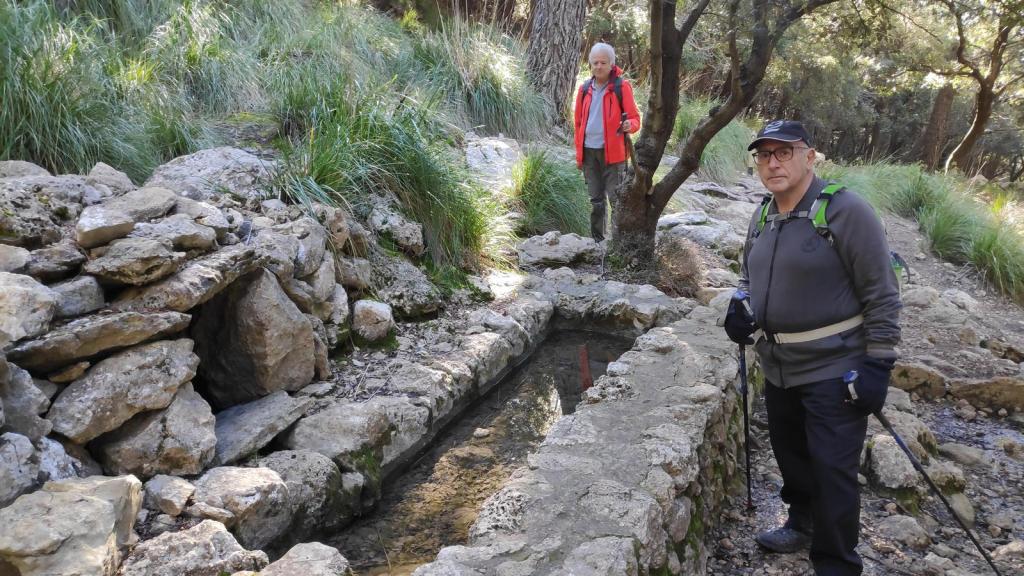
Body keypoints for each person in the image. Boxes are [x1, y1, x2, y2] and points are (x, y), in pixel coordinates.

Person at [723, 120, 901, 575]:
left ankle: (837, 563)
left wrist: (878, 365)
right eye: (764, 155)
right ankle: (801, 523)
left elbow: (881, 294)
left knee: (832, 472)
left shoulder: (846, 211)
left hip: (835, 368)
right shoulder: (763, 214)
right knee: (792, 456)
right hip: (779, 365)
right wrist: (739, 306)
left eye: (784, 152)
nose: (773, 163)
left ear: (810, 156)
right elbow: (748, 276)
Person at [573, 42, 641, 243]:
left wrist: (630, 124)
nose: (599, 66)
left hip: (614, 156)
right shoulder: (584, 89)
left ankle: (619, 244)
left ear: (611, 64)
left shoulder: (621, 87)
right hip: (589, 153)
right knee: (596, 201)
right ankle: (598, 243)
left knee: (616, 200)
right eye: (595, 62)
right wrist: (579, 156)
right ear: (590, 65)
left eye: (603, 62)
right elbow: (577, 124)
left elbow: (636, 119)